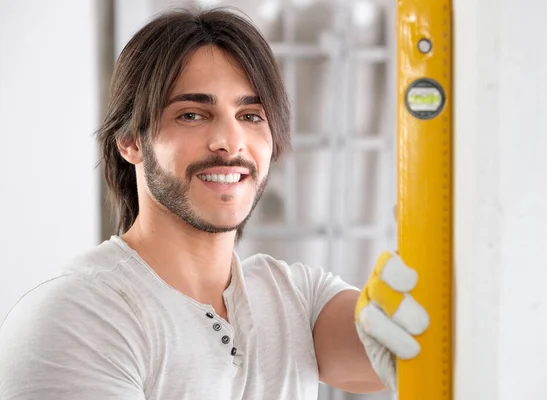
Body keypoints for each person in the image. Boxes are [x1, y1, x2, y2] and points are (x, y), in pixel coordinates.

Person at [0, 6, 429, 399]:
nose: (229, 141)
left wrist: (434, 252)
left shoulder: (295, 297)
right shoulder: (78, 317)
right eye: (192, 114)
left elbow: (403, 354)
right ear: (130, 140)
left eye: (251, 116)